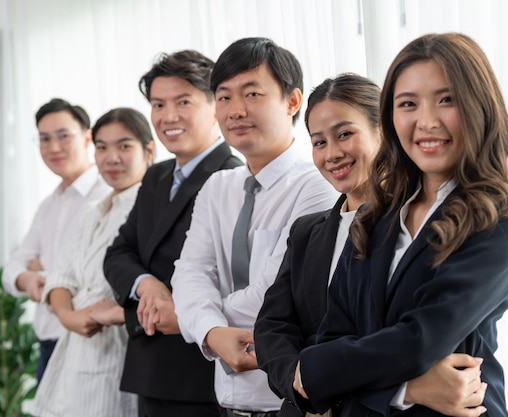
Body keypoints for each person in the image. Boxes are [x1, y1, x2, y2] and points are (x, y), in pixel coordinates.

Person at [294, 33, 508, 417]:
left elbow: (423, 338)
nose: (426, 122)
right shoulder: (374, 218)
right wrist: (410, 388)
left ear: (478, 106)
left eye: (446, 100)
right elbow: (333, 336)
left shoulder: (503, 218)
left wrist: (319, 370)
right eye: (408, 104)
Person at [255, 73, 490, 417]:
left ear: (385, 131)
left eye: (345, 135)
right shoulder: (307, 231)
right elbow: (272, 326)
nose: (332, 154)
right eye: (319, 142)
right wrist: (301, 380)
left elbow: (411, 340)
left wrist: (324, 376)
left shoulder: (417, 226)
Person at [171, 37, 338, 417]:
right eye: (224, 97)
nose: (235, 110)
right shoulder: (218, 186)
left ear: (292, 101)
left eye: (252, 94)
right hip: (225, 401)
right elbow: (190, 271)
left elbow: (273, 298)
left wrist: (194, 316)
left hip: (288, 400)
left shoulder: (318, 184)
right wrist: (213, 332)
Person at [103, 50, 242, 417]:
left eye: (183, 101)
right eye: (158, 104)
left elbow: (229, 279)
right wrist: (147, 284)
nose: (168, 116)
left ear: (216, 105)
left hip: (201, 372)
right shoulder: (156, 176)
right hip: (150, 371)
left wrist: (150, 311)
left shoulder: (232, 177)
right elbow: (118, 253)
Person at [32, 107, 154, 417]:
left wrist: (84, 314)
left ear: (148, 151)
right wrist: (66, 315)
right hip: (72, 349)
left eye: (124, 146)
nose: (111, 157)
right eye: (102, 147)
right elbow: (62, 276)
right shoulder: (93, 210)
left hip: (115, 352)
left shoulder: (150, 209)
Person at [2, 98, 111, 382]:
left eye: (63, 136)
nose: (53, 147)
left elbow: (92, 278)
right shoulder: (49, 205)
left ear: (87, 137)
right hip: (48, 344)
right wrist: (27, 278)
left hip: (90, 343)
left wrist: (44, 273)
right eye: (44, 139)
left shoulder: (107, 195)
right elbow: (12, 266)